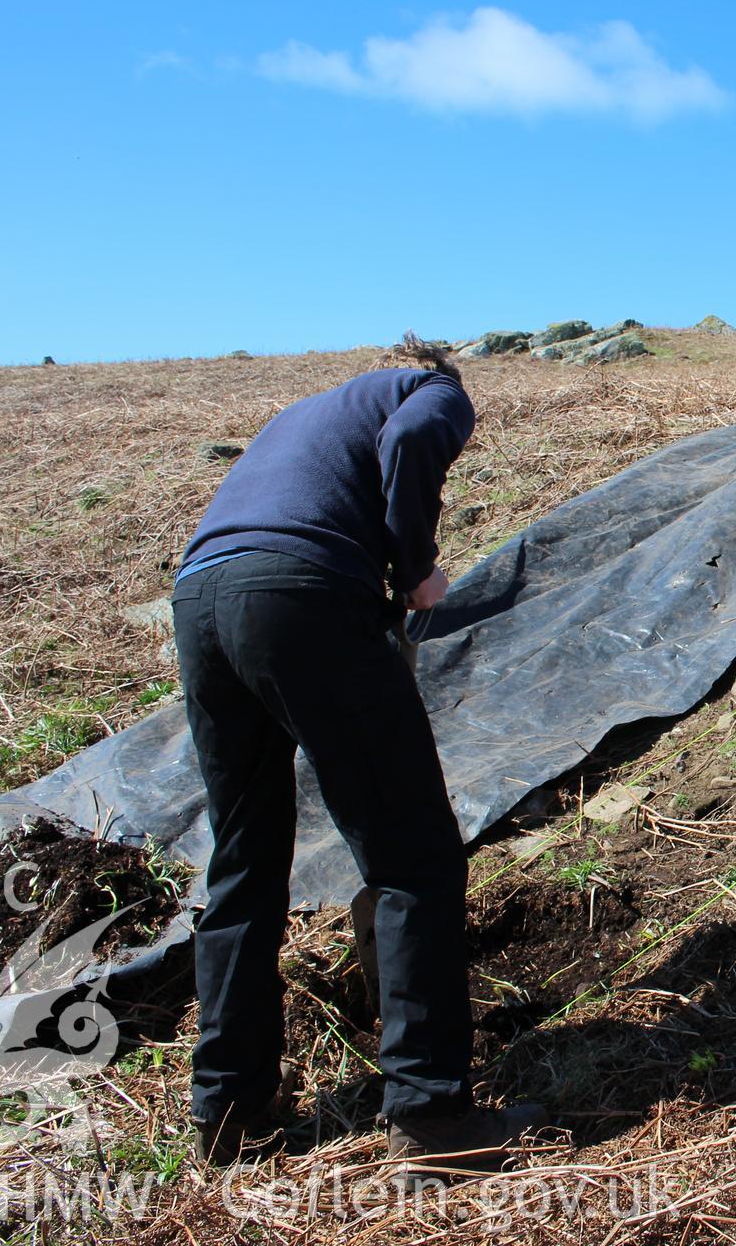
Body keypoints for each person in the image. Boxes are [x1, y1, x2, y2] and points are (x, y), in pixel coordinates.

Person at [172, 334, 543, 1178]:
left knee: (244, 862)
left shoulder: (304, 414)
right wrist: (414, 571)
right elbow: (413, 444)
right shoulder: (433, 390)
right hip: (300, 594)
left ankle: (231, 1115)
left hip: (200, 601)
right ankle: (431, 1114)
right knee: (413, 858)